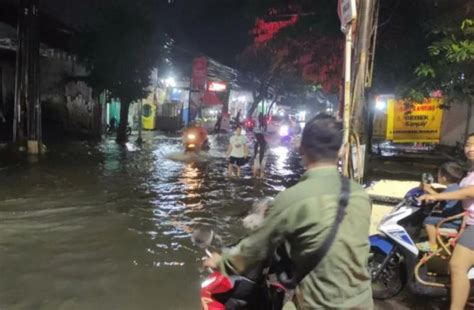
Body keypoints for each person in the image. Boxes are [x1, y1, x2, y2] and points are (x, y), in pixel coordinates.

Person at [206, 115, 373, 309]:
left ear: (301, 147)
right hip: (363, 302)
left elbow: (254, 248)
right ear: (342, 151)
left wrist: (222, 261)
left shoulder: (292, 199)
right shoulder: (360, 195)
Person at [419, 133, 474, 310]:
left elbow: (467, 193)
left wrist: (437, 196)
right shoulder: (470, 171)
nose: (470, 149)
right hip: (467, 221)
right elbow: (459, 189)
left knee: (457, 265)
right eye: (468, 144)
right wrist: (433, 191)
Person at [417, 162, 465, 252]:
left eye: (438, 175)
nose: (437, 177)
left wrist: (428, 190)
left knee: (428, 220)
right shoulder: (455, 187)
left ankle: (432, 244)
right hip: (454, 217)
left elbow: (441, 198)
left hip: (452, 221)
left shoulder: (452, 188)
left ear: (444, 178)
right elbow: (441, 196)